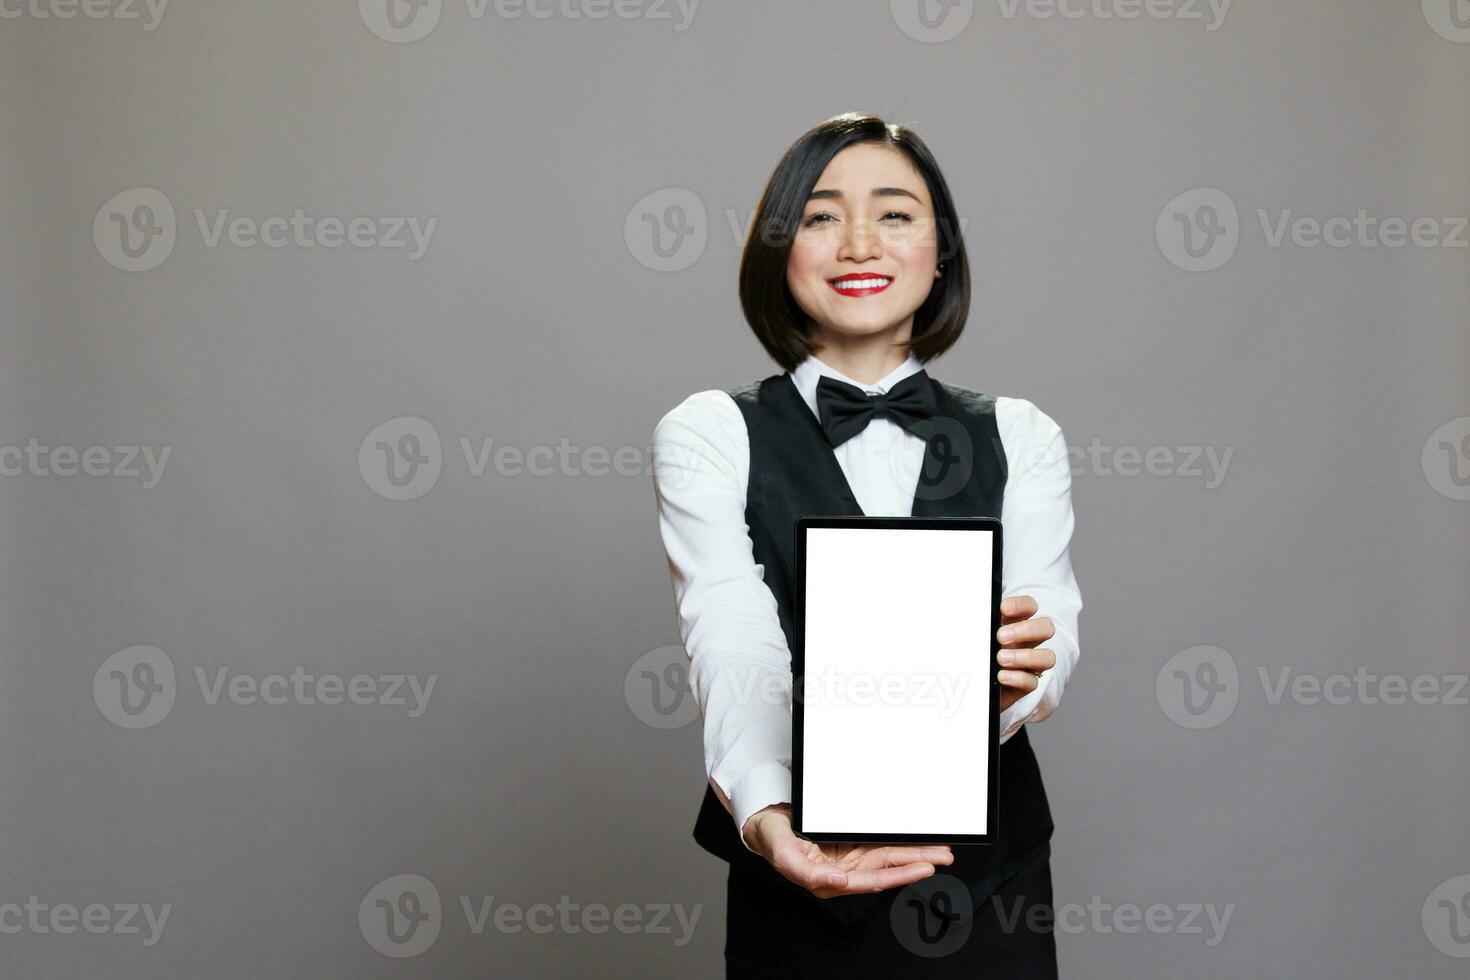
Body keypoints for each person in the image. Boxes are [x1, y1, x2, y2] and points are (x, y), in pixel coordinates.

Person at [651, 111, 1082, 977]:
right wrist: (771, 820)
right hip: (796, 865)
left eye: (894, 213)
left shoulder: (1022, 433)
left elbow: (1053, 625)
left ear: (941, 249)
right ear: (779, 250)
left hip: (986, 878)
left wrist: (1024, 670)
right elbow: (733, 638)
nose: (858, 243)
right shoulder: (710, 431)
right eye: (818, 216)